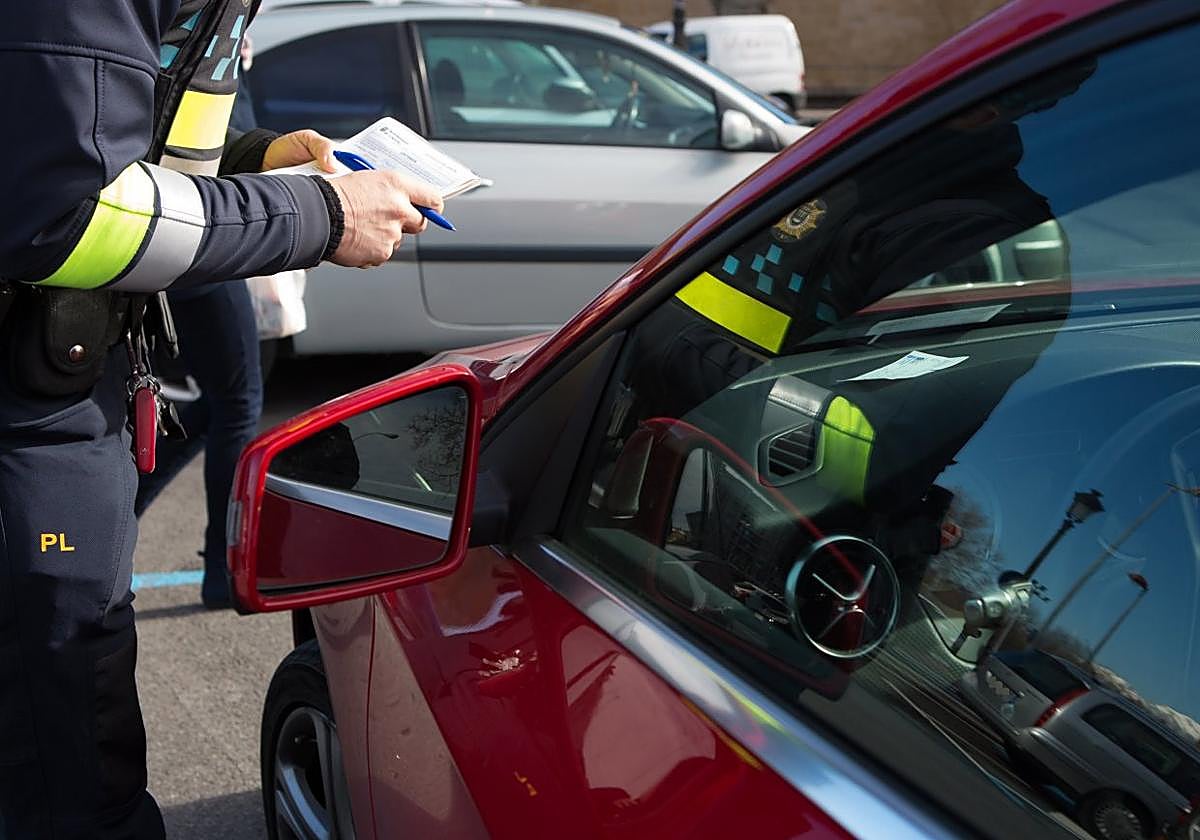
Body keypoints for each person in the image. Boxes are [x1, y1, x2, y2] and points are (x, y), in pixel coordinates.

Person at [0, 2, 444, 838]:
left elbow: (124, 142)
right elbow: (64, 215)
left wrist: (263, 160)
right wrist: (324, 215)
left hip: (66, 387)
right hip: (28, 402)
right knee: (66, 772)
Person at [134, 30, 271, 609]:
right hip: (198, 236)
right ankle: (223, 566)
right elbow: (202, 146)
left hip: (192, 232)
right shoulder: (201, 29)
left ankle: (122, 509)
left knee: (211, 403)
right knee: (238, 403)